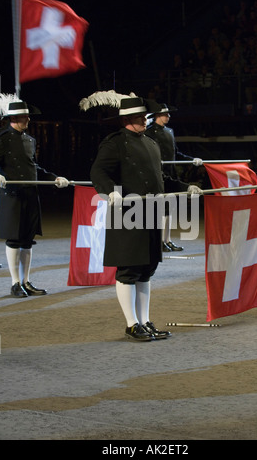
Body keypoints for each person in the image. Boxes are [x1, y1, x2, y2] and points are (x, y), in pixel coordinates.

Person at [84, 93, 201, 341]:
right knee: (128, 269)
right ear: (127, 119)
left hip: (151, 211)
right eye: (140, 117)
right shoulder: (114, 143)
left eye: (144, 117)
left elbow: (161, 180)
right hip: (127, 213)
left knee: (147, 268)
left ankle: (145, 321)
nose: (145, 121)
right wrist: (109, 193)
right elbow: (99, 172)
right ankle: (131, 324)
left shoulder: (151, 143)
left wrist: (185, 187)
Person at [0, 97, 69, 298]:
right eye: (25, 116)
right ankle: (15, 283)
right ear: (15, 117)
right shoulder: (1, 138)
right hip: (12, 195)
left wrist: (54, 178)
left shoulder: (29, 140)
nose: (29, 119)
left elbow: (33, 167)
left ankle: (26, 281)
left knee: (27, 240)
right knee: (14, 240)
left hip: (30, 193)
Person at [146, 102, 202, 252]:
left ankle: (167, 240)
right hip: (156, 175)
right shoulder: (148, 133)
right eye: (165, 114)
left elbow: (176, 154)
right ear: (157, 115)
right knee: (159, 209)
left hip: (170, 174)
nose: (168, 116)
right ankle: (159, 242)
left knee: (169, 209)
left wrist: (192, 160)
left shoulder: (169, 131)